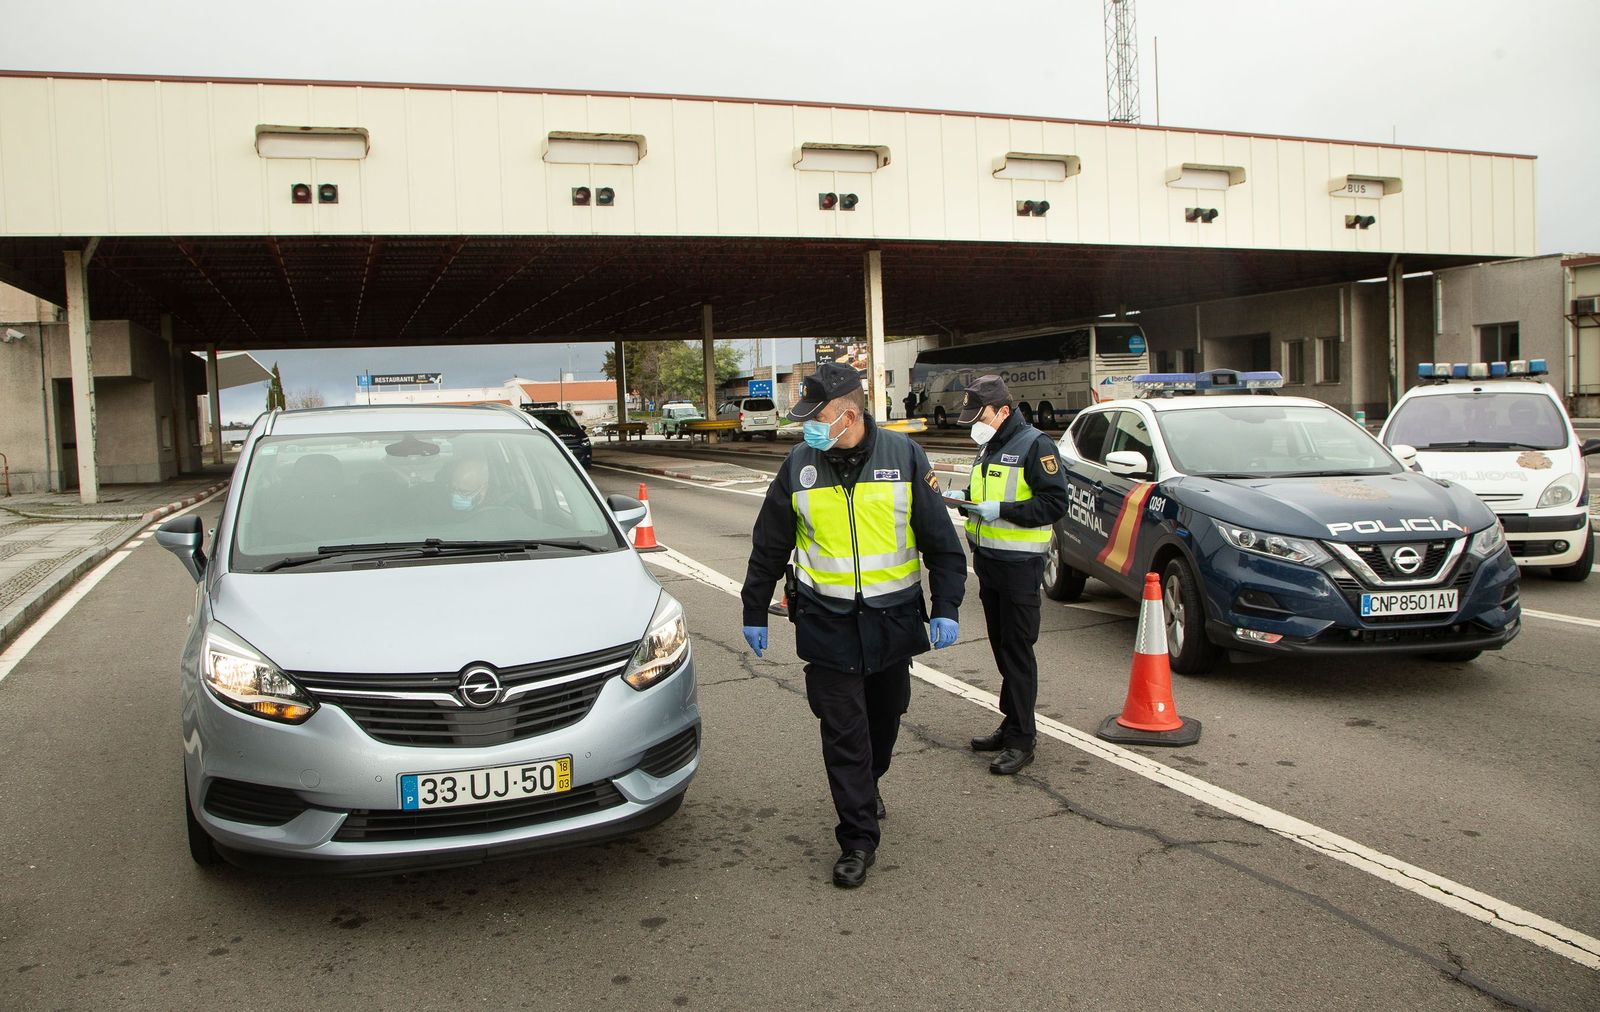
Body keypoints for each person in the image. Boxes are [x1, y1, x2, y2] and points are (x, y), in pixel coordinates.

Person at [739, 363, 967, 889]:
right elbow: (769, 545)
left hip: (892, 622)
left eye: (815, 417)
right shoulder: (798, 466)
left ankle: (870, 783)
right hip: (827, 625)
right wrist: (754, 609)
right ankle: (857, 839)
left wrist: (947, 606)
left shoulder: (904, 456)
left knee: (885, 721)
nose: (807, 428)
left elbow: (941, 542)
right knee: (844, 734)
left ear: (848, 414)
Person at [945, 376, 1068, 775]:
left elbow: (1053, 503)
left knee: (1017, 653)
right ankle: (1010, 722)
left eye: (979, 415)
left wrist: (1003, 510)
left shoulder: (1035, 444)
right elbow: (988, 496)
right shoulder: (990, 445)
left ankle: (1022, 739)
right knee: (1002, 650)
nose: (974, 423)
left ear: (1002, 410)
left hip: (1019, 568)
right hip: (990, 563)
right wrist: (969, 504)